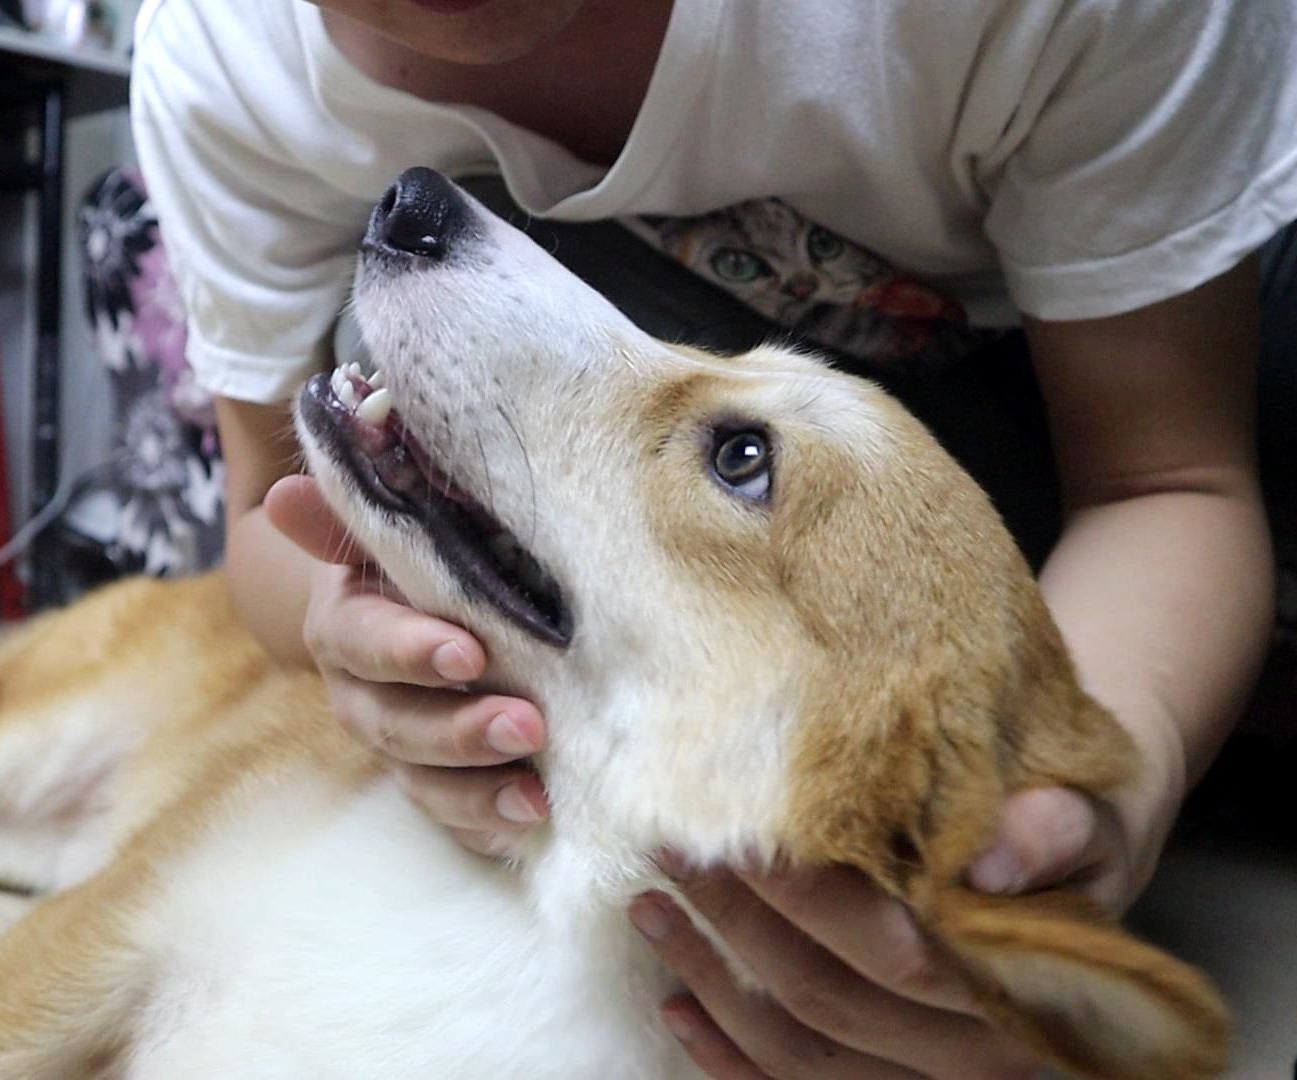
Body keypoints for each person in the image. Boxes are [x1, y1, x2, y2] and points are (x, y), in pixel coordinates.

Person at [130, 0, 1297, 1073]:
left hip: (1068, 399)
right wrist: (358, 618)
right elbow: (257, 517)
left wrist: (1092, 793)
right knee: (385, 339)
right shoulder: (225, 57)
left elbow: (1171, 479)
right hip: (759, 476)